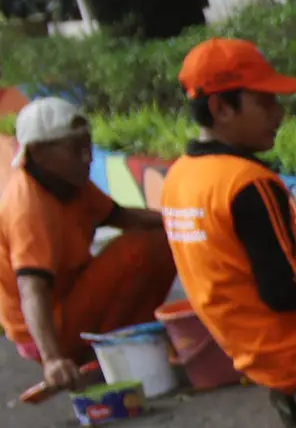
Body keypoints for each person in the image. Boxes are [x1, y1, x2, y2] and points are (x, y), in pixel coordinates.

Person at [159, 38, 296, 428]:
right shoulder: (248, 183)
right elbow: (284, 290)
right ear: (221, 108)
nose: (278, 114)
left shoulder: (180, 174)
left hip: (256, 358)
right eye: (265, 102)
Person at [3, 98, 176, 395]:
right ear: (39, 153)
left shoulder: (69, 183)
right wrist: (52, 358)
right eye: (75, 150)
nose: (88, 158)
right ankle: (97, 352)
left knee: (161, 239)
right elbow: (32, 290)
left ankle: (124, 343)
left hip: (72, 298)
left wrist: (185, 221)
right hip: (48, 329)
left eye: (88, 147)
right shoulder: (28, 206)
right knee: (138, 250)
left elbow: (123, 217)